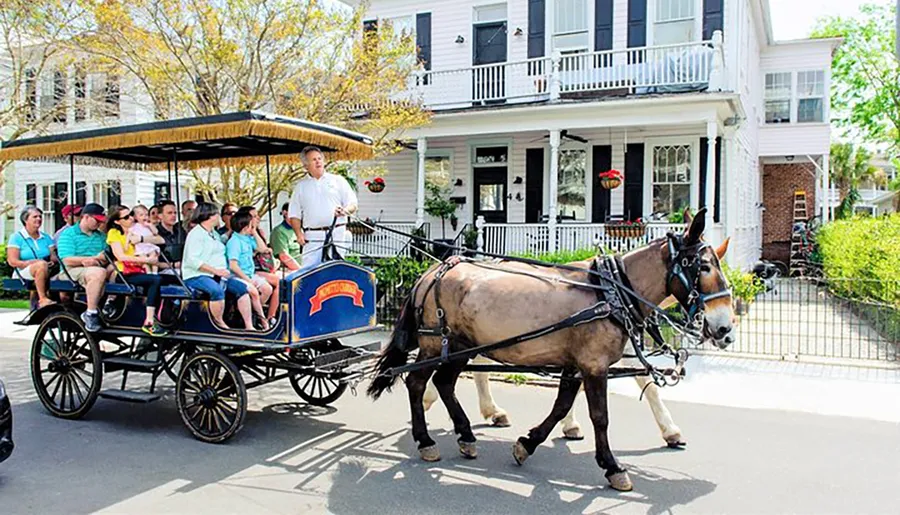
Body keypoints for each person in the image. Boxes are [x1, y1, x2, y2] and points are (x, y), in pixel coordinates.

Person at [181, 202, 254, 330]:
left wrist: (232, 230)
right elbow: (192, 260)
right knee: (216, 290)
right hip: (197, 275)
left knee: (242, 289)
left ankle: (249, 326)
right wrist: (216, 271)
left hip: (216, 274)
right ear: (208, 216)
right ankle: (219, 323)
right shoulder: (196, 234)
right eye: (215, 214)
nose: (218, 217)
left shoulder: (213, 233)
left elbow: (221, 242)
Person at [288, 146, 358, 271]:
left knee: (336, 270)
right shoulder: (301, 186)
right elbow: (294, 214)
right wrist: (299, 234)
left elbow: (353, 204)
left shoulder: (338, 180)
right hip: (313, 236)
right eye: (314, 160)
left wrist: (345, 210)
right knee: (309, 272)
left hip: (337, 233)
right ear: (306, 166)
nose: (318, 162)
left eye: (320, 158)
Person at [106, 206, 167, 336]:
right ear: (117, 221)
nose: (131, 219)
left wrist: (142, 240)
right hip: (125, 272)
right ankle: (149, 321)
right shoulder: (114, 233)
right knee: (155, 280)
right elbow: (120, 256)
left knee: (167, 279)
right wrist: (145, 260)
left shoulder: (138, 229)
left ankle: (165, 315)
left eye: (131, 215)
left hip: (141, 269)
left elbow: (160, 240)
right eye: (126, 217)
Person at [55, 203, 112, 332]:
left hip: (96, 267)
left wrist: (99, 259)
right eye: (96, 220)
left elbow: (106, 255)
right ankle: (90, 313)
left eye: (101, 221)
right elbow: (66, 259)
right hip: (71, 271)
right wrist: (86, 260)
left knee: (114, 270)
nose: (99, 224)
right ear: (86, 217)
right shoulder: (68, 234)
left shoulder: (101, 236)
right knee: (98, 273)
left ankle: (111, 307)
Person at [225, 211, 272, 331]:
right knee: (254, 292)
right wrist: (247, 280)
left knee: (267, 289)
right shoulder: (234, 242)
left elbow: (262, 249)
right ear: (246, 227)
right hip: (237, 275)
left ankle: (254, 313)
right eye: (252, 225)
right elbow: (233, 266)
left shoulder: (247, 238)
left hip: (249, 274)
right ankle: (258, 322)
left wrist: (254, 232)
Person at [235, 206, 280, 324]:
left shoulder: (254, 235)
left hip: (261, 268)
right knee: (279, 282)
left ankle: (262, 315)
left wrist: (254, 231)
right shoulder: (238, 238)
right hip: (250, 270)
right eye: (254, 216)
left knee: (282, 281)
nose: (258, 218)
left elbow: (262, 249)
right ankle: (269, 317)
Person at [6, 206, 56, 308]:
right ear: (25, 220)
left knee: (45, 266)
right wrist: (31, 263)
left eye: (40, 216)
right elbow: (12, 261)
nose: (39, 219)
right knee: (40, 265)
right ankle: (42, 299)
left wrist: (52, 262)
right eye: (35, 217)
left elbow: (54, 257)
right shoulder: (16, 237)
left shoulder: (46, 237)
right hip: (23, 271)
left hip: (46, 269)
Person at [128, 205, 162, 274]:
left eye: (146, 215)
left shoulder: (149, 225)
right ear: (135, 217)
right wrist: (127, 243)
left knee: (154, 257)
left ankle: (155, 272)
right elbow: (129, 235)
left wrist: (150, 226)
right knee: (144, 260)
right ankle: (148, 272)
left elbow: (156, 232)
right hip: (140, 246)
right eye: (141, 215)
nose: (144, 217)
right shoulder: (134, 226)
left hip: (149, 245)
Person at [156, 200, 186, 275]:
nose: (173, 215)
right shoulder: (155, 233)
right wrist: (173, 265)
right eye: (169, 213)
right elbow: (154, 262)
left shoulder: (181, 231)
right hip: (165, 271)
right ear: (160, 215)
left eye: (175, 213)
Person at [270, 202, 302, 271]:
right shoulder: (279, 231)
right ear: (285, 213)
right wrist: (301, 271)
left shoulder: (300, 229)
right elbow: (284, 257)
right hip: (291, 271)